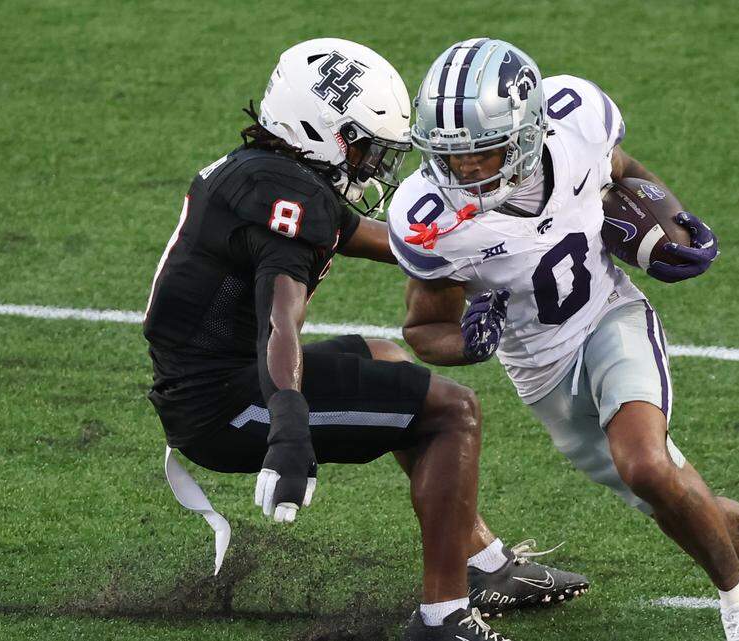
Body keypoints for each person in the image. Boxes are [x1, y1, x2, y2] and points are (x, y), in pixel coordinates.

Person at [387, 37, 739, 641]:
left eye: (482, 154)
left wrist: (669, 221)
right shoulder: (431, 215)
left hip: (609, 317)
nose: (463, 170)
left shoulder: (576, 125)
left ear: (525, 133)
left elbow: (621, 171)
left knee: (647, 463)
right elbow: (423, 329)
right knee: (689, 508)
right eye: (451, 156)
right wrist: (468, 342)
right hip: (541, 373)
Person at [143, 38, 550, 641]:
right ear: (320, 128)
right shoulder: (288, 196)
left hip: (209, 383)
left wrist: (474, 256)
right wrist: (288, 429)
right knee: (453, 412)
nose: (372, 164)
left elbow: (365, 235)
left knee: (385, 358)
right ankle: (445, 617)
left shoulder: (263, 171)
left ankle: (482, 561)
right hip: (227, 406)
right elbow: (282, 322)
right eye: (363, 144)